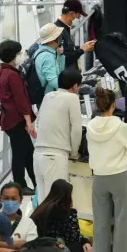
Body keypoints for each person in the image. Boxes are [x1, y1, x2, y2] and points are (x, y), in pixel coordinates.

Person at [85, 88, 127, 252]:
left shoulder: (90, 126)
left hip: (98, 176)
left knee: (100, 219)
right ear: (114, 105)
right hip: (118, 175)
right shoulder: (121, 126)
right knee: (122, 218)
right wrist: (123, 159)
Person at [33, 69, 81, 202]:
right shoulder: (72, 98)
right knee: (55, 201)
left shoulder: (48, 96)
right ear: (75, 86)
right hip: (55, 156)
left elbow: (38, 121)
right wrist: (74, 153)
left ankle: (39, 224)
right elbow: (76, 129)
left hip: (38, 153)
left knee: (42, 201)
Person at [0, 41, 37, 195]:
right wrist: (28, 122)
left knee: (27, 152)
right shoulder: (13, 75)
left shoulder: (2, 71)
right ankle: (20, 185)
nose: (22, 55)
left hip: (9, 119)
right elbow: (20, 100)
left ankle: (34, 181)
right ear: (13, 55)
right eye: (19, 53)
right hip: (16, 121)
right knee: (21, 154)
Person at [29, 180, 89, 252]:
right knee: (77, 246)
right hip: (59, 251)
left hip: (39, 249)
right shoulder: (67, 214)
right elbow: (73, 236)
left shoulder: (41, 209)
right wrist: (85, 241)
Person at [0, 182, 37, 247]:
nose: (9, 202)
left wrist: (0, 244)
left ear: (21, 200)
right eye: (6, 198)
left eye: (13, 199)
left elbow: (31, 246)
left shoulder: (28, 223)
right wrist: (19, 244)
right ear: (0, 199)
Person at [34, 23, 66, 94]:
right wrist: (68, 88)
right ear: (53, 40)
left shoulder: (40, 52)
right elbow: (53, 81)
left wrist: (61, 55)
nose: (61, 38)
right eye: (59, 36)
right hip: (50, 96)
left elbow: (59, 72)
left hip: (46, 94)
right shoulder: (47, 56)